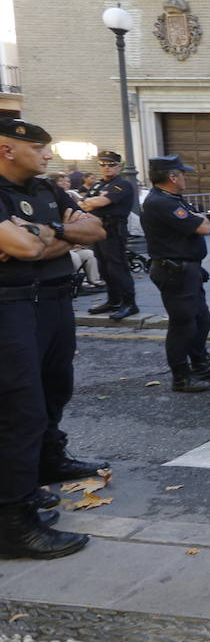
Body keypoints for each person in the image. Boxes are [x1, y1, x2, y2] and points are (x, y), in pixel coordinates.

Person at [0, 118, 110, 560]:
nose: (49, 156)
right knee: (18, 409)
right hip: (10, 307)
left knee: (52, 391)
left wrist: (53, 233)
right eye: (40, 149)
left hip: (53, 301)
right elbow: (24, 250)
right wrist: (45, 238)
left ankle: (42, 468)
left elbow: (95, 232)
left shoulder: (48, 191)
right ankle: (13, 521)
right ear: (7, 149)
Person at [142, 155, 210, 394]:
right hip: (175, 271)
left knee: (201, 319)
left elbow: (200, 223)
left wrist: (198, 220)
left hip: (186, 268)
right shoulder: (161, 202)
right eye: (183, 174)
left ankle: (201, 364)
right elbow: (204, 226)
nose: (185, 177)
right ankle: (180, 377)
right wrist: (199, 219)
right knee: (183, 325)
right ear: (172, 177)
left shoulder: (173, 199)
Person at [81, 150, 139, 317]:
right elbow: (82, 203)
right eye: (103, 164)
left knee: (117, 267)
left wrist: (93, 202)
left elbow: (101, 201)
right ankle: (113, 300)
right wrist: (91, 202)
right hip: (97, 229)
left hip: (113, 229)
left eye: (111, 165)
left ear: (119, 166)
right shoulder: (99, 185)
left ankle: (129, 303)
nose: (107, 168)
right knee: (104, 268)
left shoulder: (122, 184)